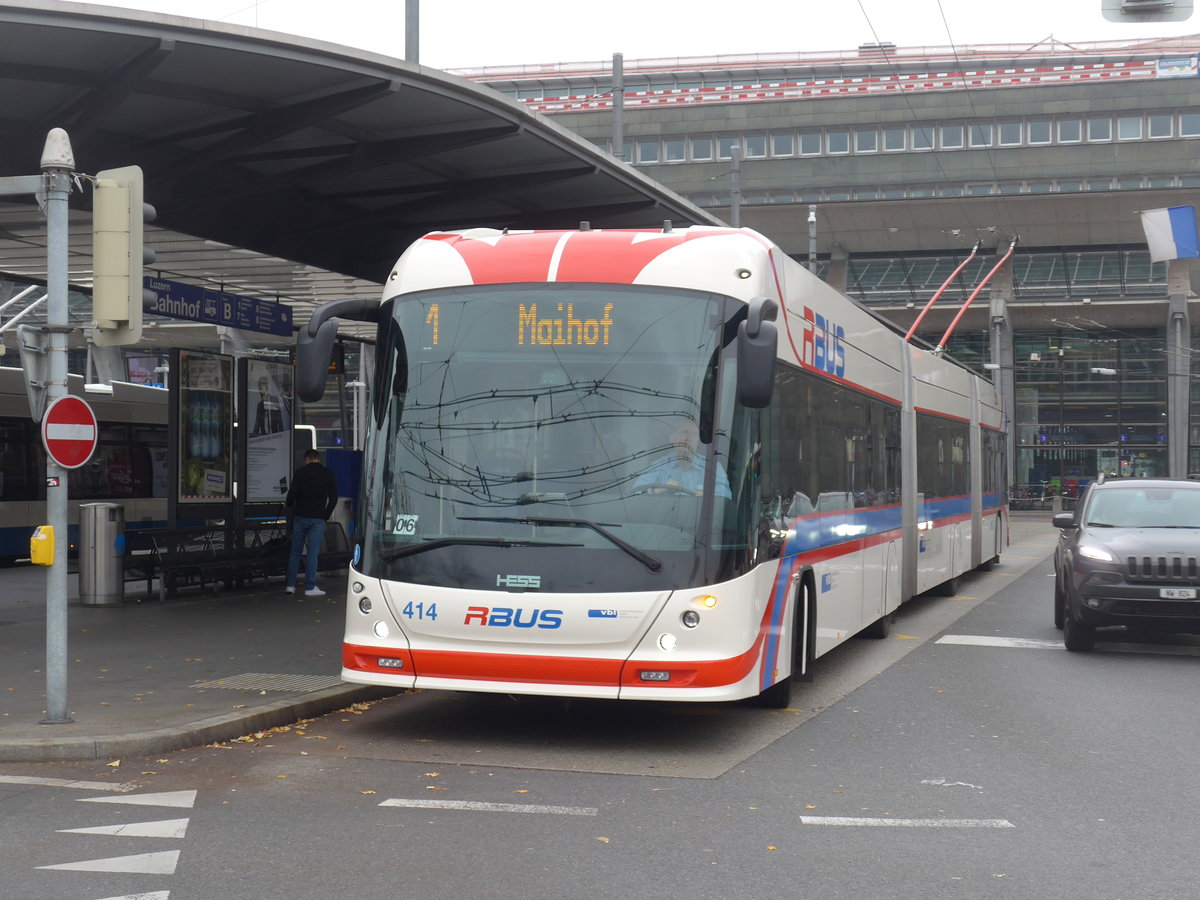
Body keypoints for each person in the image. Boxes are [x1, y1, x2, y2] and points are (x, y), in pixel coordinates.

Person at [284, 448, 339, 597]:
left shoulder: (300, 473)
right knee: (312, 554)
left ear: (306, 459)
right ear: (318, 459)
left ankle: (290, 585)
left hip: (300, 517)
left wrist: (288, 505)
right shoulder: (328, 474)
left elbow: (292, 495)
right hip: (317, 519)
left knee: (295, 552)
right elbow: (334, 498)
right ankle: (310, 587)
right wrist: (325, 515)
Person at [634, 420, 732, 498]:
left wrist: (706, 496)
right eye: (684, 433)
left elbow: (724, 496)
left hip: (702, 521)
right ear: (672, 439)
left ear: (698, 441)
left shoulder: (712, 467)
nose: (688, 438)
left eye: (693, 434)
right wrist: (657, 490)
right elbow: (636, 492)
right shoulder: (659, 466)